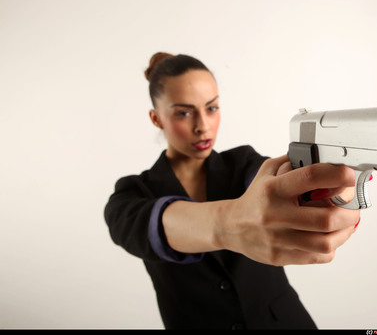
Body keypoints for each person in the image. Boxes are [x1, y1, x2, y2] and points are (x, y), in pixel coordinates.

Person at [104, 52, 361, 329]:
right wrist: (232, 222)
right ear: (156, 118)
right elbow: (154, 226)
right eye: (184, 112)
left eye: (211, 108)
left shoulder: (243, 162)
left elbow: (275, 180)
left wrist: (323, 190)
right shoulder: (131, 194)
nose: (202, 126)